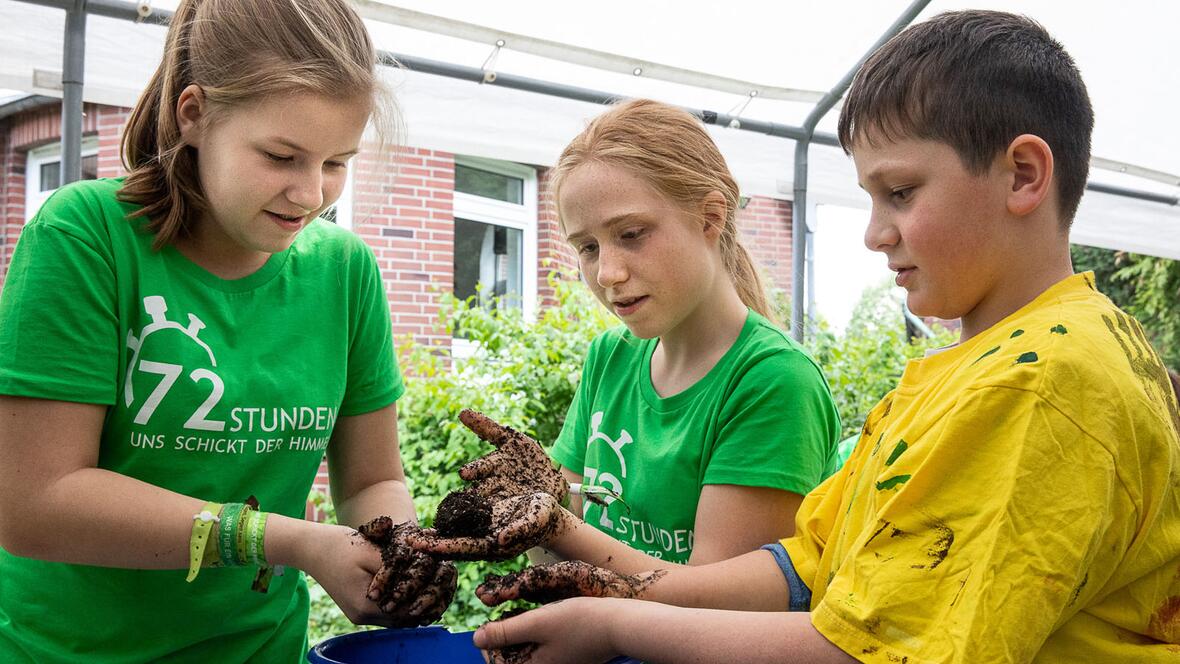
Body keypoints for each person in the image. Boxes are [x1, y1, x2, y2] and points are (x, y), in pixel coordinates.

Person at [415, 10, 1180, 663]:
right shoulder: (976, 368)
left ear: (1022, 175)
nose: (877, 234)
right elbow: (803, 566)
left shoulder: (1042, 381)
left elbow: (869, 648)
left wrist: (615, 617)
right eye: (870, 198)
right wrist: (595, 566)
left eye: (901, 192)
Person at [0, 0, 455, 661]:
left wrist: (400, 556)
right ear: (195, 114)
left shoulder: (344, 270)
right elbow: (36, 504)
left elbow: (370, 481)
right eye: (281, 156)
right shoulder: (84, 237)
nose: (311, 194)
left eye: (336, 162)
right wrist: (290, 540)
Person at [544, 99, 842, 565]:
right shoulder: (609, 359)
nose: (607, 273)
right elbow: (552, 561)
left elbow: (712, 611)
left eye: (632, 234)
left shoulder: (773, 382)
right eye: (587, 247)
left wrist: (550, 522)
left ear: (710, 217)